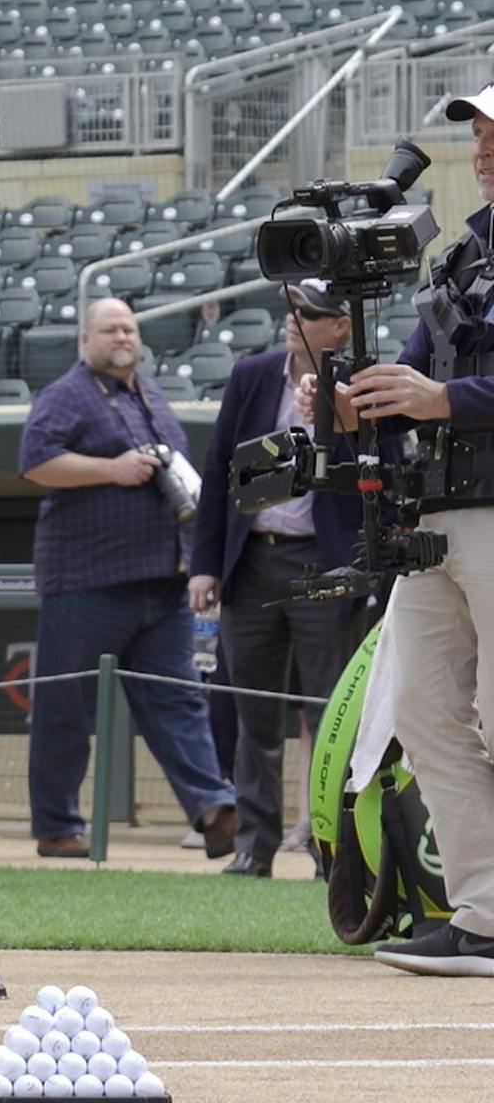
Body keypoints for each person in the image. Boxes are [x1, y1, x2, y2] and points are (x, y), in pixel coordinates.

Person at [338, 84, 494, 976]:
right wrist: (359, 401)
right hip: (433, 516)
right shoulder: (462, 251)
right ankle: (485, 916)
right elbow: (412, 378)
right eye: (478, 133)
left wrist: (447, 400)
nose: (484, 147)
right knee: (423, 712)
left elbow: (441, 393)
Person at [19, 298, 237, 860]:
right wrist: (110, 469)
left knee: (179, 700)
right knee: (65, 708)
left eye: (129, 329)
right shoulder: (65, 394)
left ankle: (214, 809)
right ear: (85, 340)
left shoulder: (151, 393)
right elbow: (35, 460)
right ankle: (57, 826)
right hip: (86, 582)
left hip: (161, 581)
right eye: (110, 329)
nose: (122, 337)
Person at [190, 280, 369, 878]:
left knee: (330, 713)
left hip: (324, 560)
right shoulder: (253, 375)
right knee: (255, 714)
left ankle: (332, 849)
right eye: (292, 309)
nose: (295, 319)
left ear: (340, 326)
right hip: (253, 561)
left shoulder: (362, 379)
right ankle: (254, 844)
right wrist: (206, 564)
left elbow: (385, 466)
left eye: (311, 312)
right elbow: (218, 469)